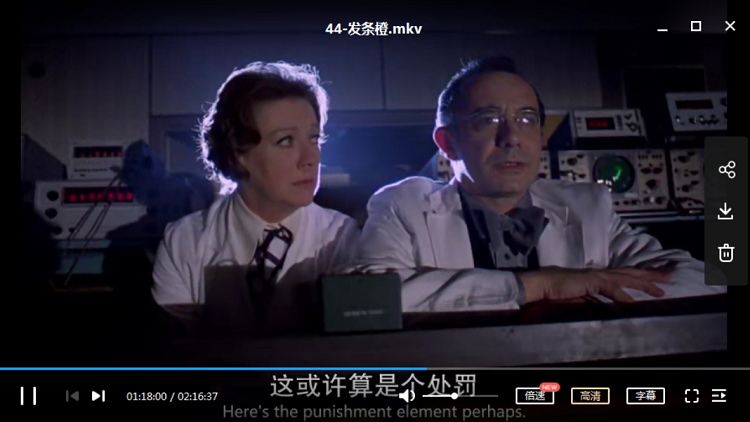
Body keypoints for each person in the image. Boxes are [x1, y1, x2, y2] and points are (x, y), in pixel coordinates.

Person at [355, 56, 726, 312]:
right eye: (488, 120)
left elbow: (705, 279)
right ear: (448, 143)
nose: (512, 138)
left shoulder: (586, 207)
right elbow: (366, 300)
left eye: (527, 120)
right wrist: (538, 286)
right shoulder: (403, 206)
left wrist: (589, 294)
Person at [151, 62, 360, 326]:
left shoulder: (341, 236)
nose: (310, 158)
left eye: (314, 138)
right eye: (286, 141)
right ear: (239, 153)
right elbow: (176, 347)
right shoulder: (185, 242)